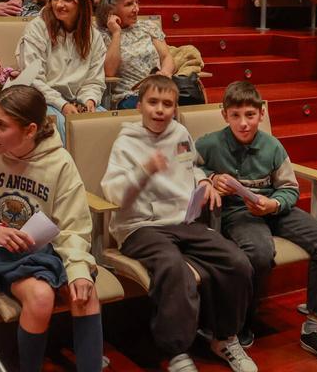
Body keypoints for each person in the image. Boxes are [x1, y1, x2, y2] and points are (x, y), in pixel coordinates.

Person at [0, 85, 104, 372]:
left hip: (48, 253)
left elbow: (74, 227)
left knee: (85, 293)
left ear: (30, 130)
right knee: (41, 297)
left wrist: (79, 271)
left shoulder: (59, 161)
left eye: (1, 125)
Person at [101, 76, 255, 372]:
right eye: (153, 102)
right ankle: (177, 351)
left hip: (183, 222)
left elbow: (192, 167)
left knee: (237, 261)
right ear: (140, 105)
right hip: (139, 226)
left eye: (167, 104)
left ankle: (223, 338)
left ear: (175, 108)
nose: (160, 110)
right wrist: (145, 170)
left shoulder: (180, 133)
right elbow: (113, 194)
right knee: (172, 266)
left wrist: (205, 182)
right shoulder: (126, 142)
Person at [198, 82, 317, 369]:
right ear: (224, 115)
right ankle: (243, 319)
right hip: (237, 213)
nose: (243, 123)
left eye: (250, 115)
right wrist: (210, 177)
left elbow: (290, 188)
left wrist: (275, 204)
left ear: (262, 113)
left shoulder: (272, 146)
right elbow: (186, 166)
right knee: (257, 251)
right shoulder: (209, 143)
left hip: (275, 208)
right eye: (235, 115)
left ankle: (314, 328)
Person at [11, 0, 106, 140]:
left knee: (103, 123)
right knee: (60, 124)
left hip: (78, 100)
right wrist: (62, 105)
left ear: (81, 3)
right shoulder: (37, 28)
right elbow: (34, 80)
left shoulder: (93, 35)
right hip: (45, 100)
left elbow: (94, 80)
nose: (59, 4)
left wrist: (89, 101)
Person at [94, 0, 176, 110]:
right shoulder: (101, 34)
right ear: (110, 9)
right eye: (129, 4)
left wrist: (165, 72)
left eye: (137, 2)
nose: (136, 9)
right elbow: (109, 72)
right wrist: (116, 33)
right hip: (127, 96)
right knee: (155, 107)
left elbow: (166, 57)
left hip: (159, 89)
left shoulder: (148, 27)